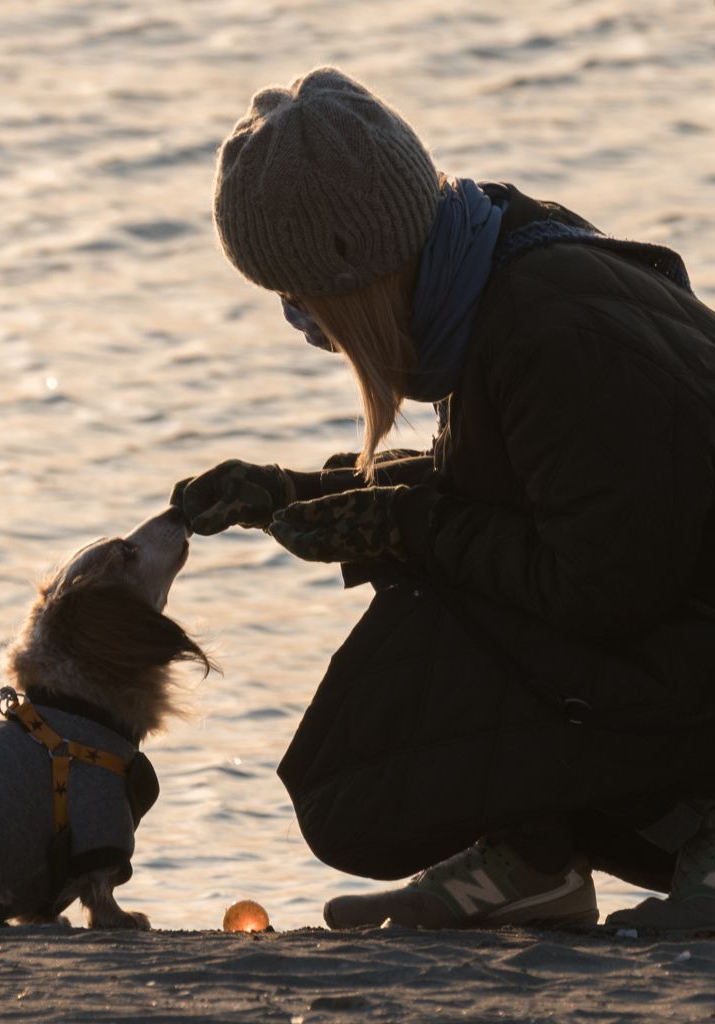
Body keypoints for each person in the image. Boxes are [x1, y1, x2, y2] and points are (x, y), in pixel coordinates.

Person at [170, 66, 715, 930]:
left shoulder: (548, 334)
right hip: (682, 623)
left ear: (355, 268)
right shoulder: (501, 273)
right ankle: (535, 863)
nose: (300, 323)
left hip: (682, 636)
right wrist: (291, 491)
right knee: (430, 584)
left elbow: (605, 586)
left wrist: (403, 525)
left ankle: (688, 837)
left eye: (299, 296)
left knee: (390, 712)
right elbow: (524, 494)